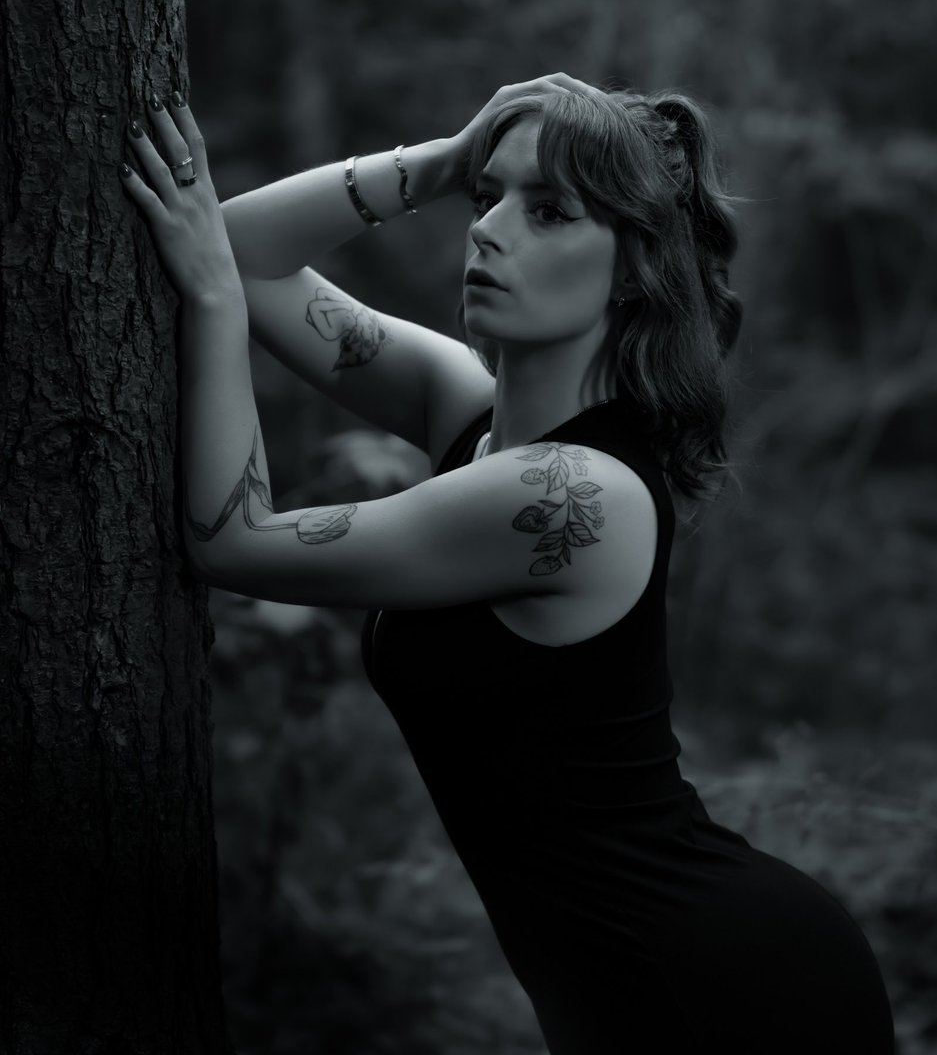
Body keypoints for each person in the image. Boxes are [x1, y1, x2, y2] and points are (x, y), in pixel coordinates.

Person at [119, 74, 896, 1053]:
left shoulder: (570, 495)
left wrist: (211, 304)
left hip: (724, 989)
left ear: (633, 269)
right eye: (489, 198)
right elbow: (240, 247)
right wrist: (450, 157)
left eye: (550, 211)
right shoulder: (475, 419)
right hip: (624, 986)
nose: (487, 230)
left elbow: (230, 535)